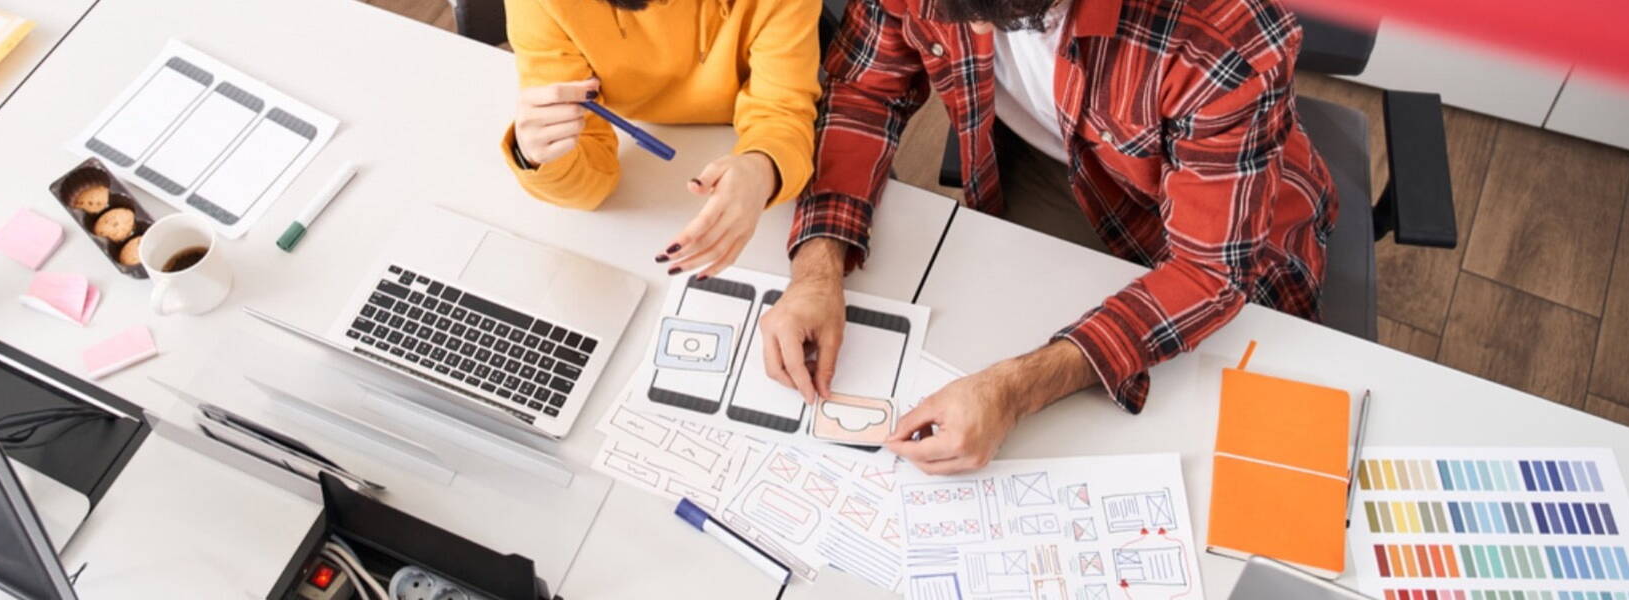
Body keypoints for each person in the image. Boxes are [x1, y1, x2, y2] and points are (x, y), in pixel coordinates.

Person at [759, 0, 1336, 473]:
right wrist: (817, 267)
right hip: (1050, 166)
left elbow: (1210, 273)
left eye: (977, 17)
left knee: (1163, 449)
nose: (956, 28)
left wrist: (1014, 393)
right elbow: (865, 91)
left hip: (1230, 229)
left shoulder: (1221, 31)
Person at [503, 0, 820, 278]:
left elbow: (783, 112)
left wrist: (763, 168)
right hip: (631, 226)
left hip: (737, 151)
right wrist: (538, 155)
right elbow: (590, 185)